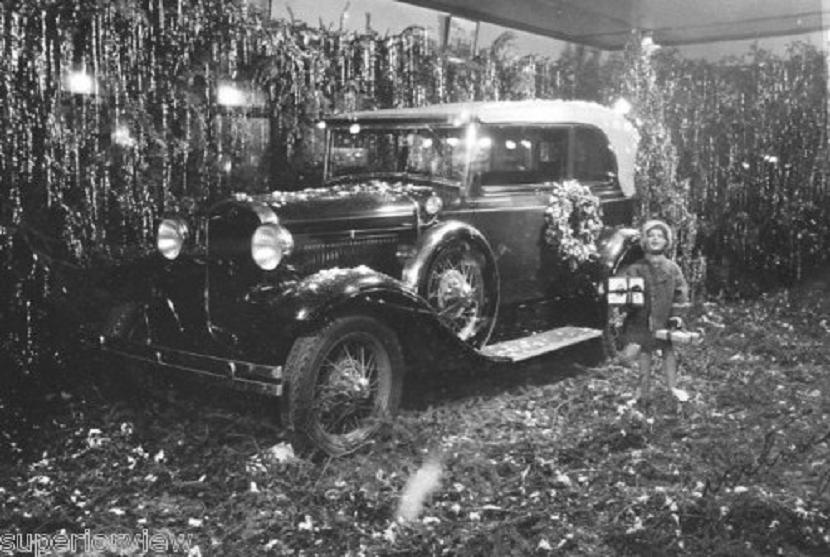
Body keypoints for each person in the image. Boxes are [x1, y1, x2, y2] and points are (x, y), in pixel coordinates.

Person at [621, 219, 690, 404]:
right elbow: (626, 293)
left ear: (666, 242)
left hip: (665, 316)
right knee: (644, 351)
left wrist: (676, 316)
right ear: (644, 241)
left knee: (668, 350)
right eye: (651, 236)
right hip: (642, 318)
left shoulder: (672, 268)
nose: (655, 239)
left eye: (660, 236)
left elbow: (680, 293)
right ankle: (642, 392)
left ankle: (672, 387)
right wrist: (627, 302)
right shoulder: (636, 268)